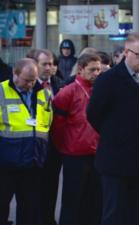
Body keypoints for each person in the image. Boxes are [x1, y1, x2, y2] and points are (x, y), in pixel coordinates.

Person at [87, 32, 139, 225]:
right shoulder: (108, 79)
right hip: (115, 159)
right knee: (115, 213)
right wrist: (114, 133)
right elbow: (93, 114)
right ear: (127, 52)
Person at [0, 58, 53, 225]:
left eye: (33, 80)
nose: (30, 84)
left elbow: (48, 123)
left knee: (30, 210)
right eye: (26, 80)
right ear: (15, 75)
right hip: (6, 162)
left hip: (32, 161)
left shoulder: (44, 93)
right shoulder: (1, 91)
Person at [52, 53, 102, 225]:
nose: (96, 73)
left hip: (96, 153)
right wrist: (65, 147)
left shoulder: (99, 90)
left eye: (98, 70)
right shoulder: (68, 92)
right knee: (72, 201)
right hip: (74, 155)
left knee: (93, 201)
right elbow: (57, 126)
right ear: (80, 70)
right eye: (92, 70)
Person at [32, 49, 64, 225]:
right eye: (44, 64)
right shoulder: (29, 85)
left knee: (52, 187)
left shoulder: (60, 84)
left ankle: (49, 220)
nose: (49, 67)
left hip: (55, 145)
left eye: (51, 64)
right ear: (35, 64)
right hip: (34, 145)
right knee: (35, 188)